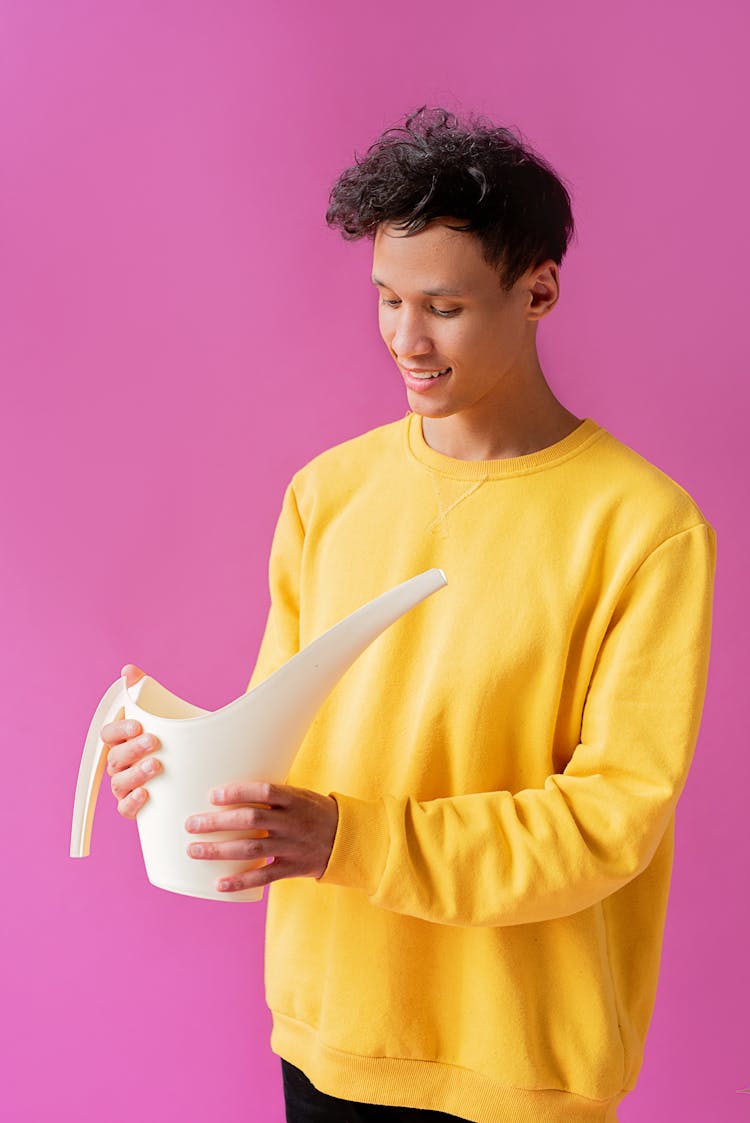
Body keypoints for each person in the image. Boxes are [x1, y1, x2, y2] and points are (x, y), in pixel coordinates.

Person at [101, 107, 716, 1122]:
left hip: (517, 1067)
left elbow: (611, 822)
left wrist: (349, 838)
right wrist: (183, 773)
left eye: (442, 305)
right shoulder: (328, 494)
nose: (405, 338)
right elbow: (283, 755)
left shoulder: (643, 527)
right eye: (387, 298)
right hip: (327, 1040)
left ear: (540, 290)